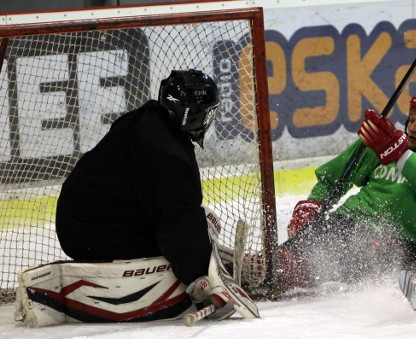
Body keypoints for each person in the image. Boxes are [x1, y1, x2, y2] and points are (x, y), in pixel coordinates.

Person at [16, 69, 258, 327]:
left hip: (83, 217)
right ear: (192, 113)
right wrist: (202, 280)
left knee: (199, 224)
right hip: (94, 233)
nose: (209, 119)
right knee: (197, 226)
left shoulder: (148, 118)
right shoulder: (168, 155)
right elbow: (176, 224)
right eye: (208, 111)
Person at [277, 89, 416, 294]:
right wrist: (314, 203)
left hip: (400, 243)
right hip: (348, 224)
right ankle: (252, 270)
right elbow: (336, 176)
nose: (412, 128)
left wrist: (397, 150)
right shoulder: (383, 143)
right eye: (411, 120)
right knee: (288, 262)